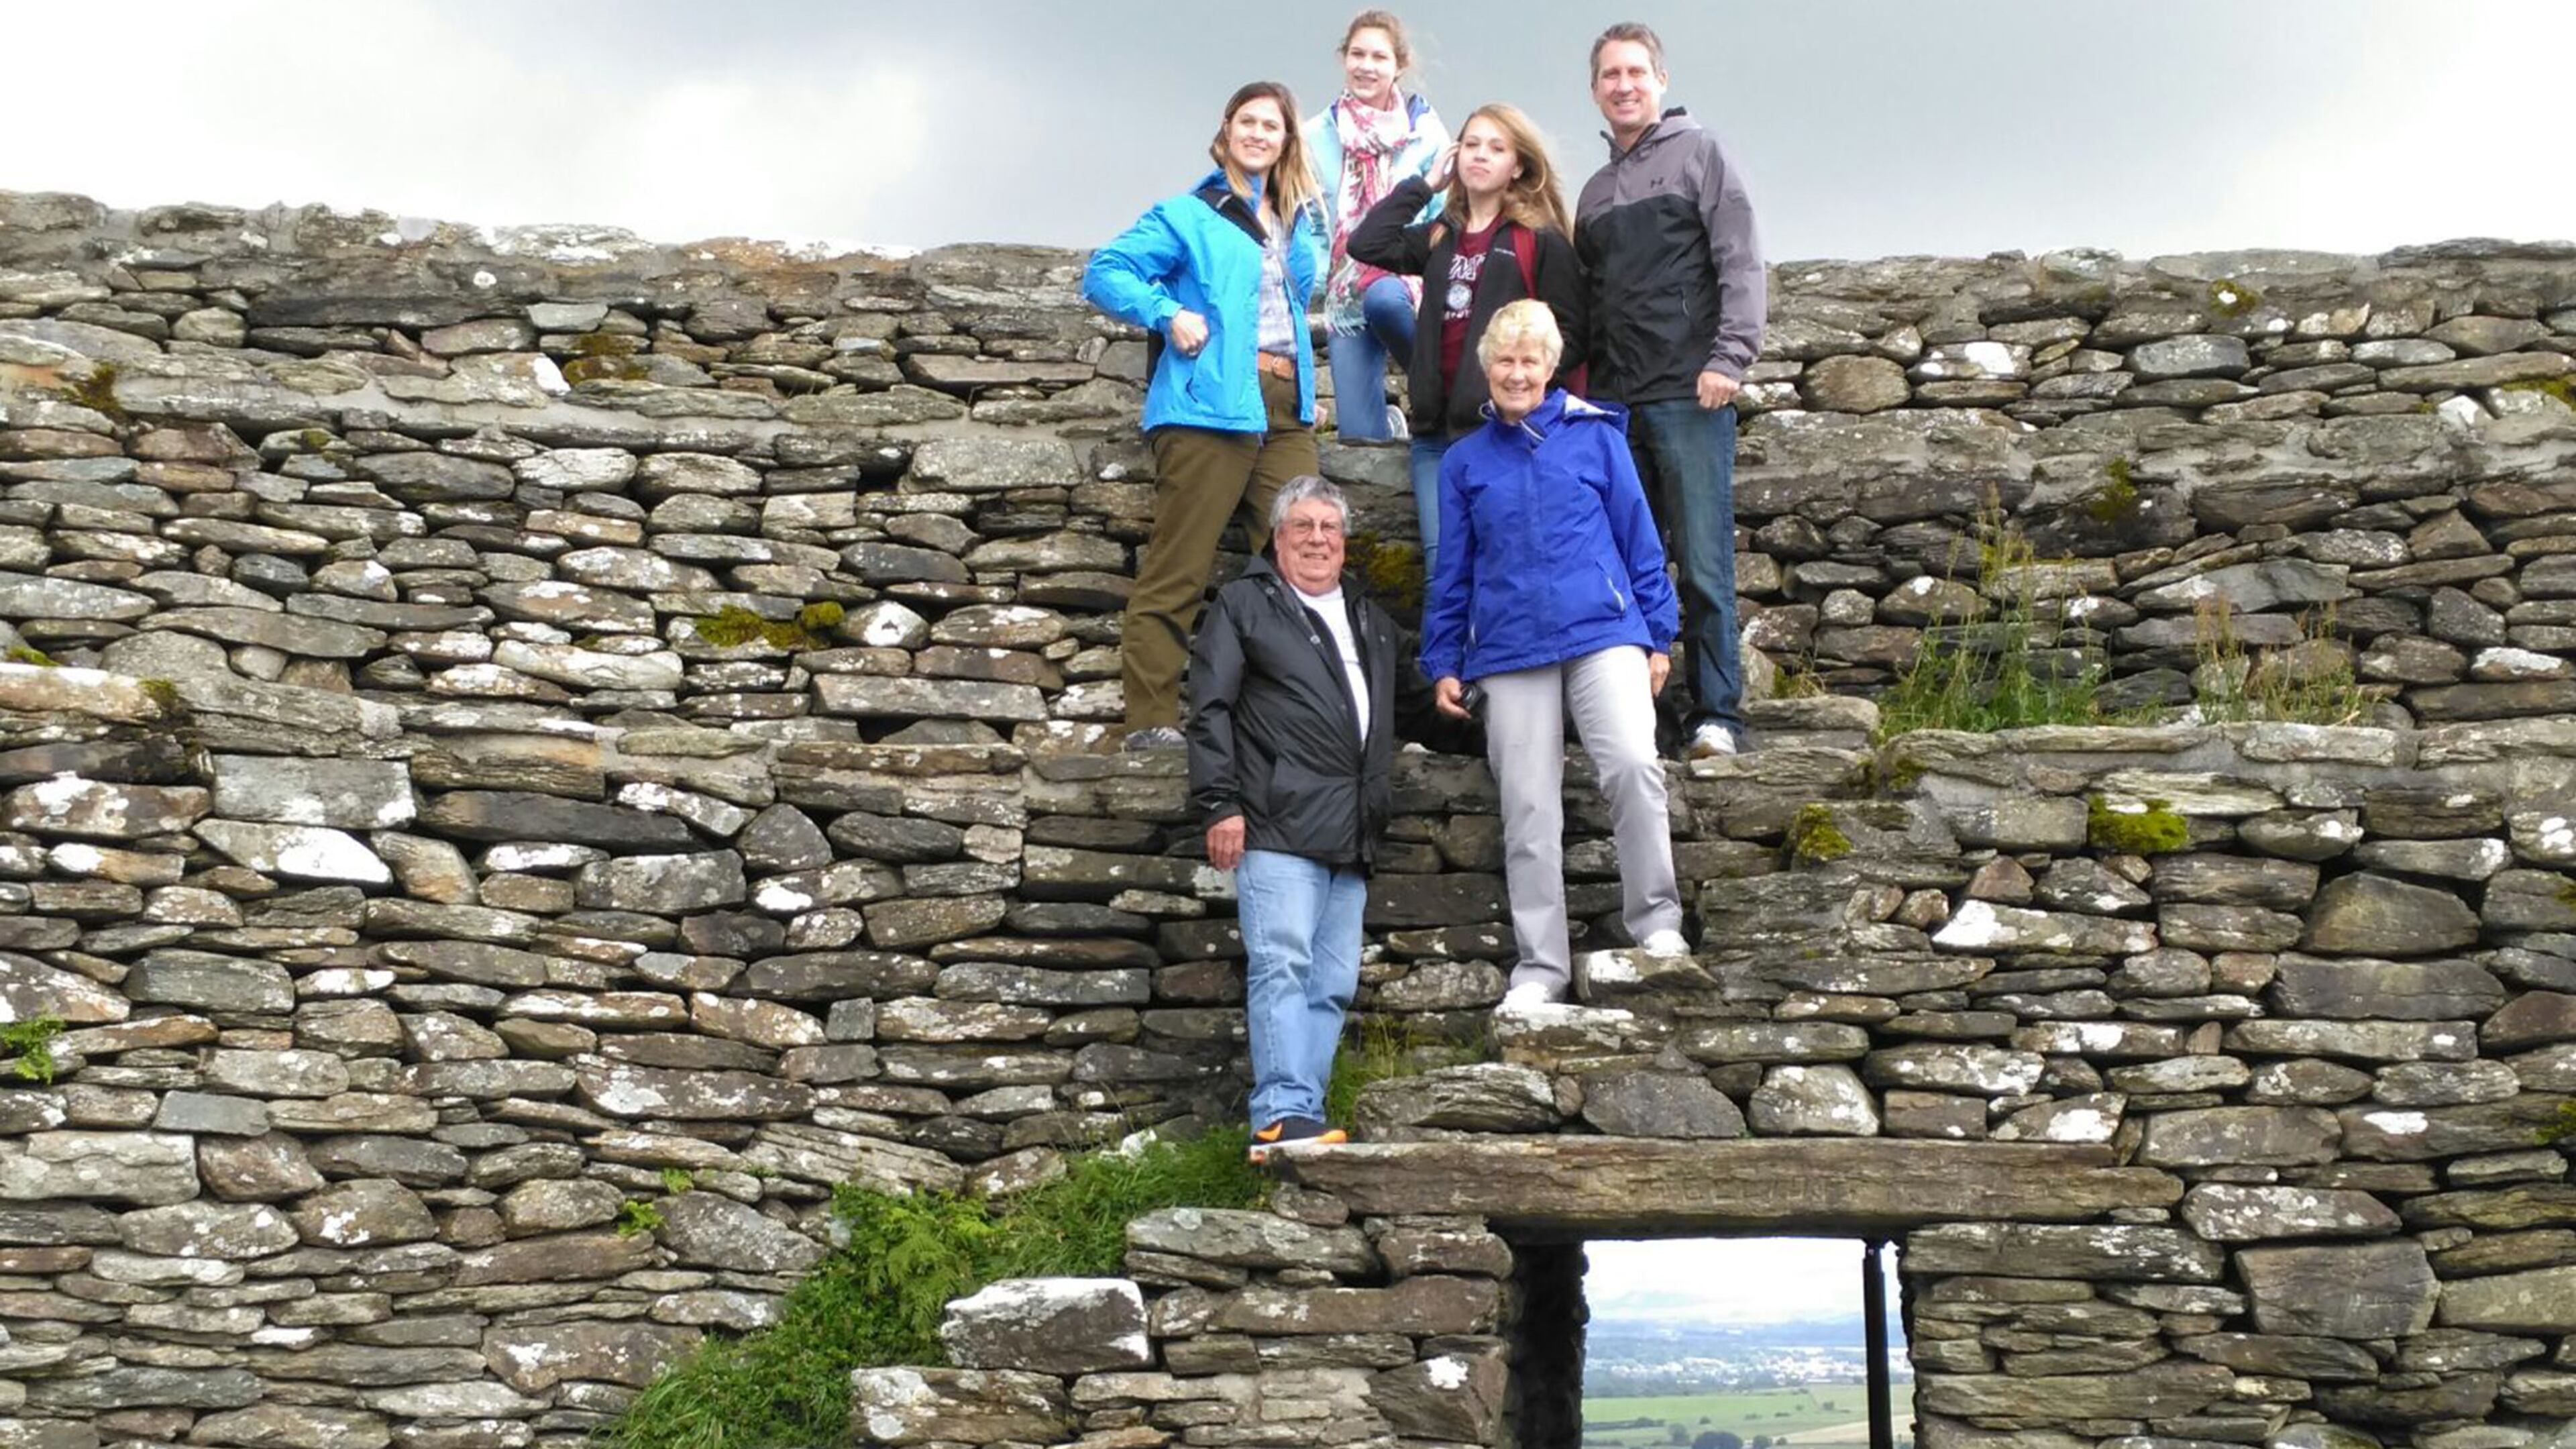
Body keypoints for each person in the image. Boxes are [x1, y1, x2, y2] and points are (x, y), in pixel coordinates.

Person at [1420, 300, 1688, 1010]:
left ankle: (1657, 925)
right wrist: (1443, 658)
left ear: (1550, 367)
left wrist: (1658, 633)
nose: (1516, 373)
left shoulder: (1598, 437)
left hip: (1605, 631)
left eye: (1529, 360)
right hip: (1508, 648)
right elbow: (1453, 569)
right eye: (1504, 361)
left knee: (1634, 764)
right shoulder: (1464, 463)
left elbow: (1640, 537)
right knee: (1528, 806)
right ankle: (1542, 968)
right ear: (1487, 369)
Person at [1085, 82, 1328, 751]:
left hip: (1287, 407)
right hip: (1207, 406)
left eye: (1271, 126)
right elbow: (1106, 271)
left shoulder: (1295, 216)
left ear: (1286, 141)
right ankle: (1151, 721)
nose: (1258, 133)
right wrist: (1168, 313)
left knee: (1300, 563)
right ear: (1226, 130)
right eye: (1247, 121)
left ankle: (1289, 721)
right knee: (1181, 566)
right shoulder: (1188, 213)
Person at [1187, 476, 1411, 1158]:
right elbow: (1210, 709)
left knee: (1333, 983)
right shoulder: (1245, 605)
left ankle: (1301, 1119)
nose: (1318, 540)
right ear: (1278, 538)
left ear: (1344, 545)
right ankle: (1281, 1111)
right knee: (1282, 965)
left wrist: (1477, 704)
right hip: (1278, 821)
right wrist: (1220, 803)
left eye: (1330, 530)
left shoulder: (1370, 618)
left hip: (1351, 830)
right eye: (1303, 528)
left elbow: (1419, 702)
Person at [1573, 21, 1767, 759]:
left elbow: (1741, 259)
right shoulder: (1592, 194)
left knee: (1706, 564)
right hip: (1617, 403)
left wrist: (1731, 358)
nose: (1624, 86)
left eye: (1636, 72)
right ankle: (1644, 721)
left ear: (1659, 79)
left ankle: (1720, 716)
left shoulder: (1701, 154)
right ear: (1596, 90)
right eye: (1610, 76)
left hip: (1692, 392)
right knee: (1629, 565)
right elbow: (1588, 304)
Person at [1347, 102, 1586, 584]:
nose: (1481, 156)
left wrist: (1523, 395)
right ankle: (1445, 664)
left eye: (1496, 148)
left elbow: (1571, 335)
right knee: (1444, 569)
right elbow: (1366, 243)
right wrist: (1425, 186)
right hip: (1435, 436)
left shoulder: (1537, 239)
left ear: (1518, 165)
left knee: (1501, 562)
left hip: (1503, 430)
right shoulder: (1440, 236)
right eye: (1472, 145)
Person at [1303, 10, 1448, 443]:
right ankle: (1389, 422)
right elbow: (1310, 219)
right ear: (1343, 58)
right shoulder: (1315, 135)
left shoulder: (1427, 134)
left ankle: (1436, 388)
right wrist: (1309, 281)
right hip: (1345, 289)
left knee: (1385, 301)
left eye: (1379, 57)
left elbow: (1443, 213)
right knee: (1358, 438)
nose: (1367, 66)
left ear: (1399, 65)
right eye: (1357, 54)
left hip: (1405, 277)